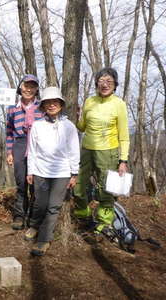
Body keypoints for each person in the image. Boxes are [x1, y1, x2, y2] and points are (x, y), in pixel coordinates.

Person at [73, 67, 130, 237]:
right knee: (78, 186)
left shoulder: (119, 104)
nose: (105, 84)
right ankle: (83, 216)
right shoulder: (90, 101)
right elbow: (82, 127)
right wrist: (78, 117)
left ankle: (104, 223)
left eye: (109, 81)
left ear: (115, 85)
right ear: (97, 83)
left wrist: (123, 160)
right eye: (101, 81)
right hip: (87, 150)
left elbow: (124, 136)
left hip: (109, 152)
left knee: (106, 189)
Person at [26, 87, 80, 256]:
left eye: (55, 102)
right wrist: (30, 171)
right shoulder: (37, 125)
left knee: (53, 207)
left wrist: (74, 173)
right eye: (48, 103)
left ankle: (44, 239)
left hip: (62, 173)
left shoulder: (69, 126)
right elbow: (32, 150)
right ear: (43, 106)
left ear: (61, 105)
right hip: (41, 171)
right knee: (40, 204)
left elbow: (74, 150)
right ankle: (34, 225)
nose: (51, 105)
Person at [6, 74, 43, 230]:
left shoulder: (42, 107)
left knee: (36, 182)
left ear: (36, 89)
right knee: (21, 181)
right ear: (20, 87)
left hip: (38, 145)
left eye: (32, 86)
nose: (29, 89)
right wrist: (9, 152)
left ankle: (34, 217)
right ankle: (19, 215)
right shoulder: (12, 108)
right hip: (20, 144)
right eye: (26, 86)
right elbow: (9, 132)